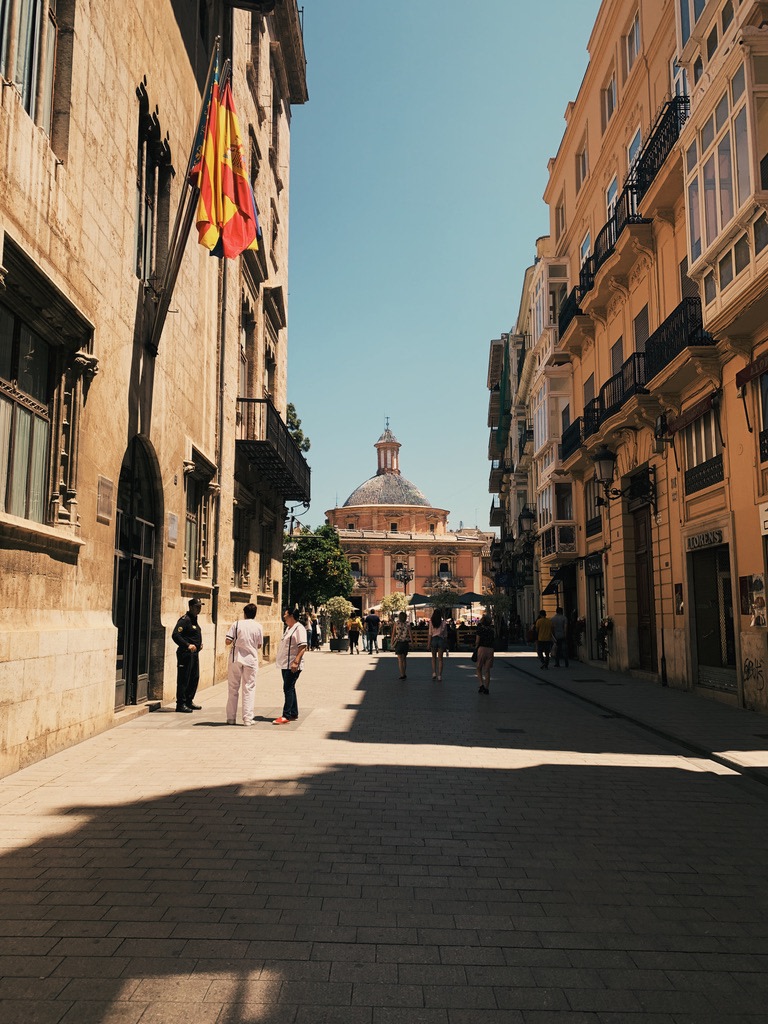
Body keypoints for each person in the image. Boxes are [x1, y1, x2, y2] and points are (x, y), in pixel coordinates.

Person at [225, 603, 263, 726]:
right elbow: (259, 645)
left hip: (236, 658)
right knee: (249, 688)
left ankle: (231, 718)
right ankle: (247, 718)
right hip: (251, 659)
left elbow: (227, 641)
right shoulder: (258, 626)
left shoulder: (236, 624)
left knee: (233, 688)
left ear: (244, 613)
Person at [274, 607, 307, 724]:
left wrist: (296, 662)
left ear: (291, 616)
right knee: (290, 688)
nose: (284, 616)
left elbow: (302, 646)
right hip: (285, 664)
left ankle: (286, 715)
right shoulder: (289, 628)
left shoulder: (299, 629)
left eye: (286, 615)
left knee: (287, 688)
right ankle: (294, 712)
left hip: (292, 665)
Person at [172, 598, 203, 712]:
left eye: (200, 606)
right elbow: (175, 635)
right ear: (190, 607)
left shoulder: (194, 620)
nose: (199, 609)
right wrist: (187, 645)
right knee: (184, 679)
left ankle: (189, 701)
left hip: (194, 654)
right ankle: (181, 704)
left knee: (194, 677)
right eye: (197, 607)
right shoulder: (185, 620)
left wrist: (199, 644)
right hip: (185, 654)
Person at [474, 613, 495, 694]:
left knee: (479, 668)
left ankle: (481, 685)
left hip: (481, 649)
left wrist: (476, 647)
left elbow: (477, 641)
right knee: (487, 670)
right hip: (490, 649)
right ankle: (487, 688)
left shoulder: (480, 630)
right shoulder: (491, 631)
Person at [392, 611, 413, 679]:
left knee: (400, 660)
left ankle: (402, 674)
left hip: (398, 643)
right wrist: (412, 642)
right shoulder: (407, 624)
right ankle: (404, 673)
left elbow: (393, 633)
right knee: (404, 659)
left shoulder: (396, 623)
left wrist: (392, 642)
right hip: (405, 643)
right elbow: (410, 634)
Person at [428, 609, 447, 681]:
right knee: (440, 659)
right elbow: (445, 635)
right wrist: (445, 643)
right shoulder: (444, 623)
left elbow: (430, 633)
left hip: (434, 639)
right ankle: (440, 675)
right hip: (441, 640)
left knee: (433, 658)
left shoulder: (431, 622)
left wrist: (428, 644)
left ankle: (434, 673)